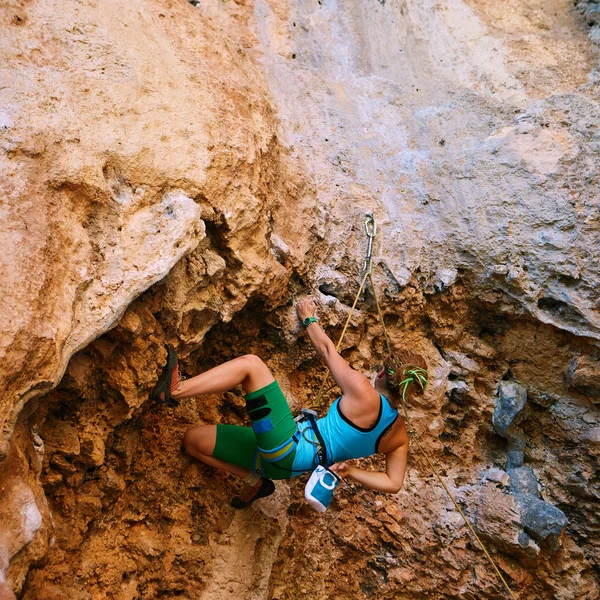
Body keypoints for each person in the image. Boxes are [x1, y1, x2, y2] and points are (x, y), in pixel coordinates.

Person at [151, 298, 429, 509]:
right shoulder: (400, 434)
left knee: (252, 366)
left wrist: (309, 318)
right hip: (283, 467)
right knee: (192, 441)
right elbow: (393, 483)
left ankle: (176, 389)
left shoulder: (363, 391)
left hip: (288, 447)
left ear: (381, 373)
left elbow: (326, 350)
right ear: (409, 393)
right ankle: (255, 482)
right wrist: (353, 471)